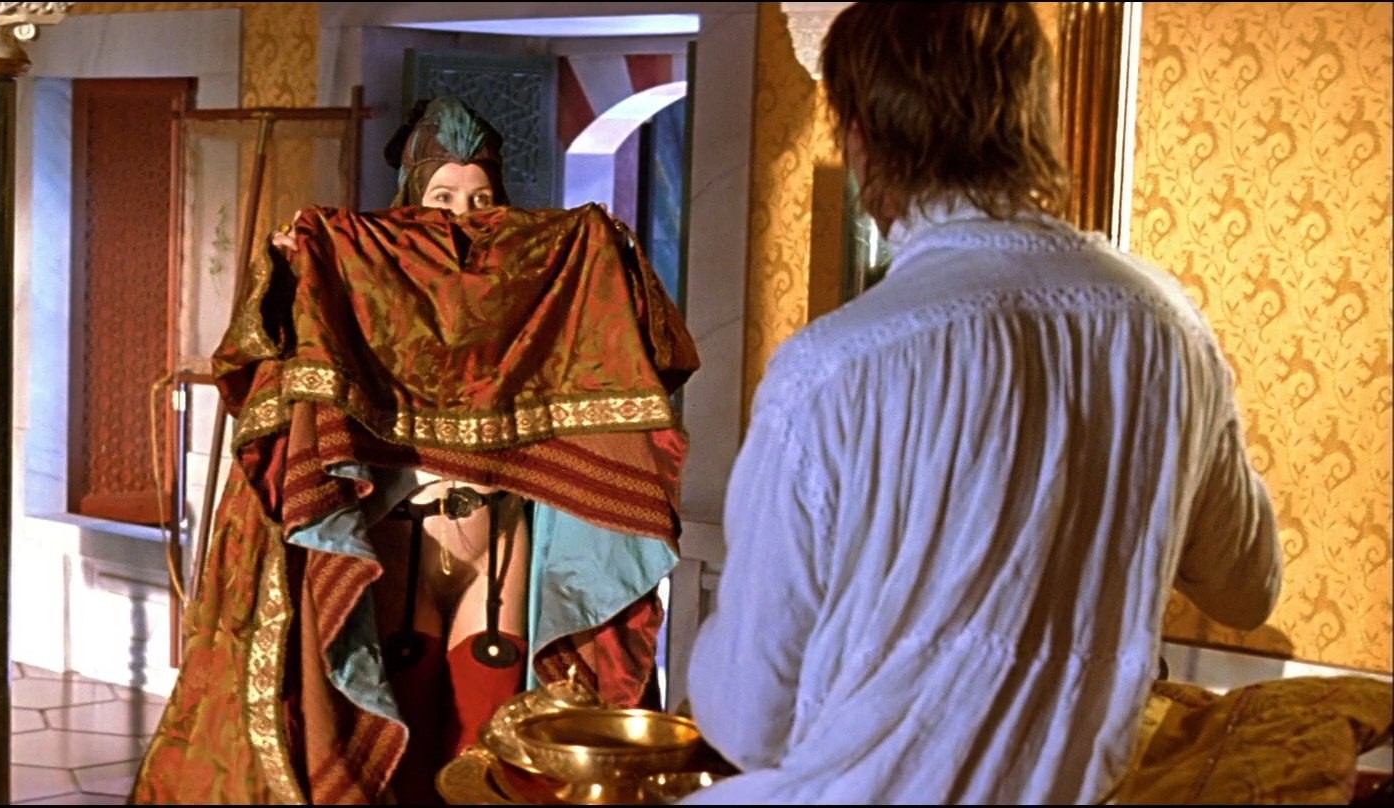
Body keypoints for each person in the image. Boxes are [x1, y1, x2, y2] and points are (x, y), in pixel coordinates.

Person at [681, 3, 1281, 804]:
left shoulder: (833, 369)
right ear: (1030, 115)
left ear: (863, 135)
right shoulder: (1168, 329)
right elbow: (1248, 587)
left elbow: (749, 717)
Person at [134, 96, 699, 805]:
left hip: (498, 534)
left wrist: (613, 259)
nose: (461, 217)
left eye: (481, 199)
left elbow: (642, 351)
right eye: (443, 198)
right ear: (409, 202)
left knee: (491, 721)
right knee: (401, 720)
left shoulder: (535, 290)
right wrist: (293, 273)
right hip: (403, 534)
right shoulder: (364, 278)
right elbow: (270, 364)